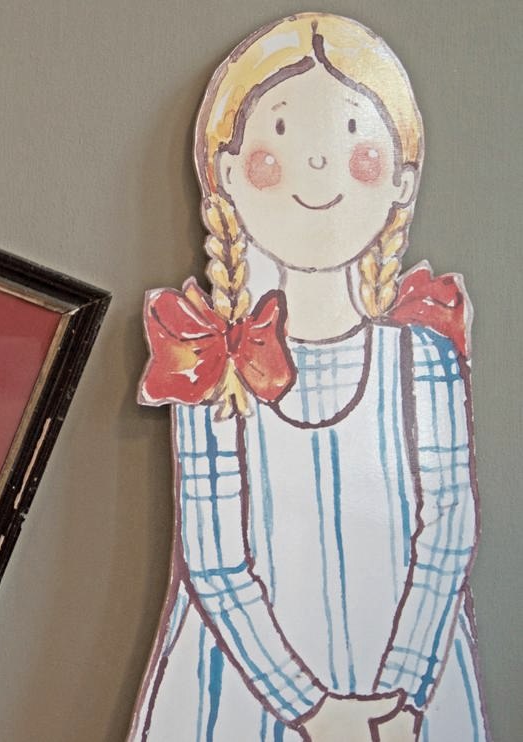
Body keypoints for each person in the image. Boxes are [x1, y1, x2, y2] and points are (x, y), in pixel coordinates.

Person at [129, 14, 487, 742]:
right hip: (241, 682)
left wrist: (402, 695)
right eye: (279, 145)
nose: (317, 169)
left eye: (357, 149)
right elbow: (213, 560)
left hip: (409, 681)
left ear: (401, 179)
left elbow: (449, 529)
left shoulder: (424, 357)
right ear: (227, 172)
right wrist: (313, 711)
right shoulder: (208, 360)